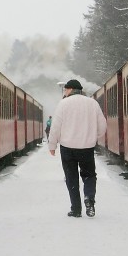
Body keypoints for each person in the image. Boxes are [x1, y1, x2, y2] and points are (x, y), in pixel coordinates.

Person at [47, 78, 106, 218]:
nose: (65, 92)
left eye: (66, 89)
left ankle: (76, 209)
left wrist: (52, 145)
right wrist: (93, 136)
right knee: (89, 175)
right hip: (87, 147)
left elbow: (55, 127)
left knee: (71, 177)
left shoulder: (63, 104)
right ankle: (89, 198)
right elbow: (102, 126)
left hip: (68, 148)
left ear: (71, 89)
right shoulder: (92, 103)